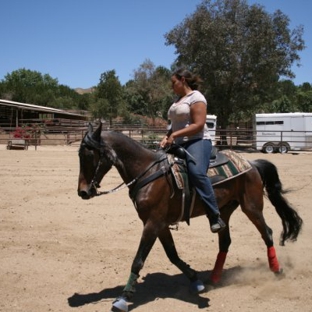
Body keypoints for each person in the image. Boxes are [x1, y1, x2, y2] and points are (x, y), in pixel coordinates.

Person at [160, 68, 225, 233]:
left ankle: (214, 215)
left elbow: (198, 125)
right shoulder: (178, 100)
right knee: (157, 167)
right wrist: (167, 136)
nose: (172, 86)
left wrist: (174, 135)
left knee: (196, 172)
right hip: (178, 142)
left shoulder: (197, 97)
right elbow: (174, 124)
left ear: (183, 80)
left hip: (198, 141)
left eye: (174, 82)